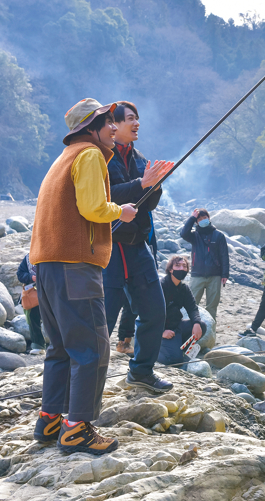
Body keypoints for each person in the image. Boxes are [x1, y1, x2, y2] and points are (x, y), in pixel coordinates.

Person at [29, 98, 137, 455]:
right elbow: (92, 208)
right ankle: (77, 429)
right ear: (91, 127)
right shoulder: (89, 155)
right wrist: (121, 210)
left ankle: (50, 420)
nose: (113, 126)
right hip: (75, 267)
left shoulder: (63, 158)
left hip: (46, 268)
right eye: (107, 121)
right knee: (92, 347)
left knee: (60, 349)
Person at [102, 100, 176, 393]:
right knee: (104, 318)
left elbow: (149, 204)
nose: (136, 123)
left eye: (137, 119)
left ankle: (141, 371)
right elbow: (107, 195)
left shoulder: (141, 158)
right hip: (110, 247)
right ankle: (86, 377)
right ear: (114, 125)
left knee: (155, 311)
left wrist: (154, 186)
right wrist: (142, 183)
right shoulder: (101, 158)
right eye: (130, 119)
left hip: (139, 245)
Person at [180, 208, 229, 323]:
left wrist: (225, 274)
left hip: (215, 276)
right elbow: (183, 233)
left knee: (212, 307)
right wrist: (192, 218)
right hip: (197, 275)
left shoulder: (219, 236)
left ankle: (210, 332)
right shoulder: (194, 236)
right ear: (196, 222)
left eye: (205, 218)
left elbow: (224, 256)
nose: (203, 220)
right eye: (200, 219)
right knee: (191, 304)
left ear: (209, 218)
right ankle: (187, 329)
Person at [157, 255, 206, 366]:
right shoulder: (161, 286)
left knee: (202, 326)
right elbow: (151, 313)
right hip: (161, 330)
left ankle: (178, 348)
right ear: (170, 269)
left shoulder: (184, 289)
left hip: (176, 327)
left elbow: (193, 308)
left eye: (184, 266)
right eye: (177, 265)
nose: (181, 269)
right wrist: (161, 332)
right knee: (175, 361)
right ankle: (158, 348)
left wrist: (197, 323)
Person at [16, 253, 45, 351]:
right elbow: (20, 274)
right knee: (32, 317)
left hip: (52, 291)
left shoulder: (53, 254)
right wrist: (31, 277)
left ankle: (60, 346)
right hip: (32, 293)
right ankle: (38, 345)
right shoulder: (28, 257)